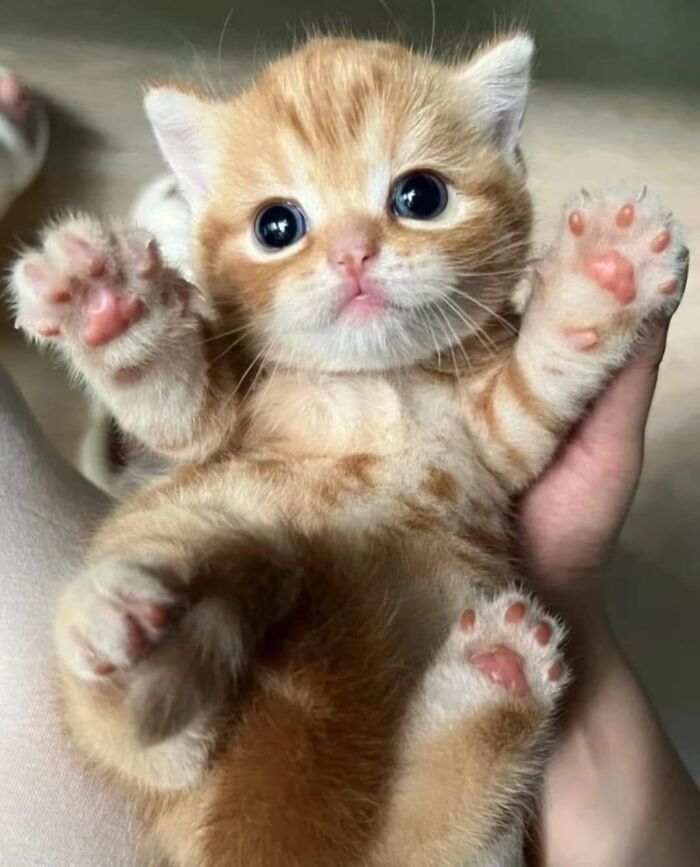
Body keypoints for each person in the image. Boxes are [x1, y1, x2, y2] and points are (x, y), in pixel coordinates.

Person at [0, 71, 698, 867]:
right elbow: (197, 417)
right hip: (424, 655)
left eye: (417, 198)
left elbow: (194, 427)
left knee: (176, 564)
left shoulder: (459, 347)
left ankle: (148, 675)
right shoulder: (268, 357)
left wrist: (136, 348)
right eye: (282, 221)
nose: (352, 253)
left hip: (229, 713)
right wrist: (574, 329)